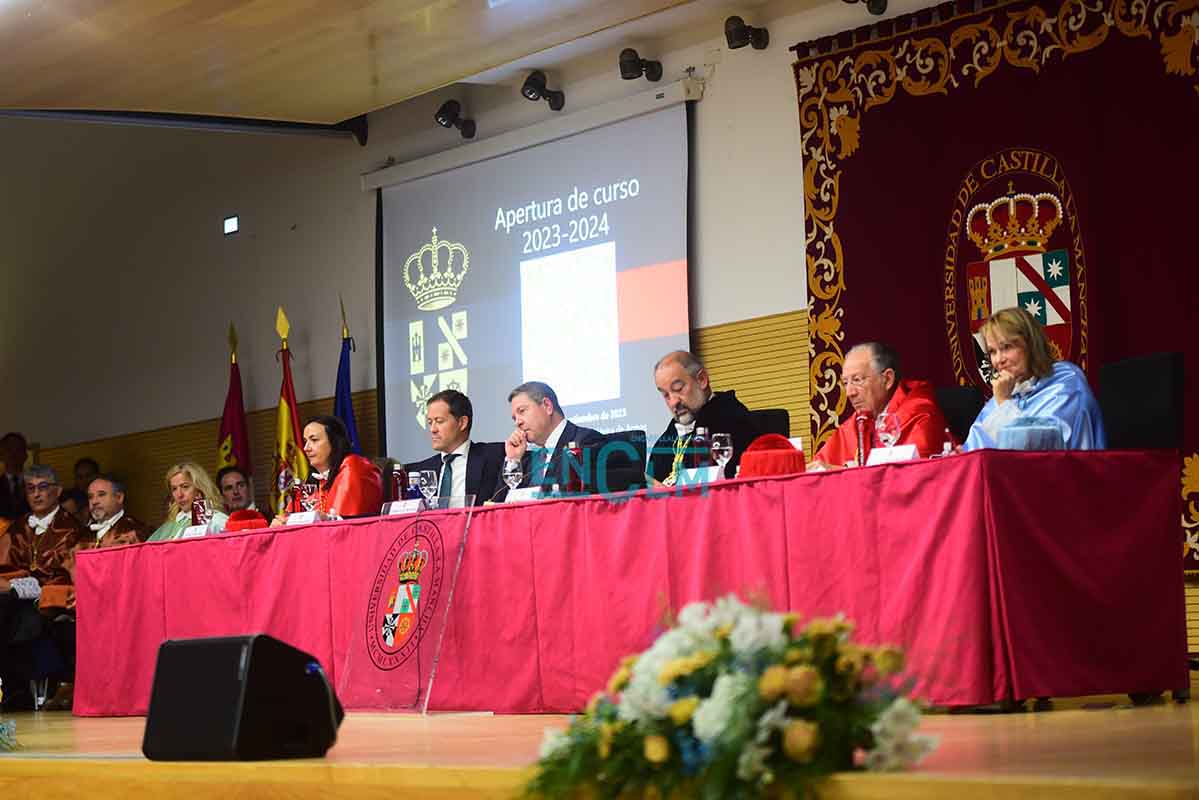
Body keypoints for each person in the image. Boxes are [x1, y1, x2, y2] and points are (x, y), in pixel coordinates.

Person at [0, 465, 87, 711]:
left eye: (43, 487)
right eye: (30, 489)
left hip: (50, 599)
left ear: (57, 491)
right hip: (14, 596)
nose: (36, 494)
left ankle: (20, 689)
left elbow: (72, 573)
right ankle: (13, 687)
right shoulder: (16, 530)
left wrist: (41, 589)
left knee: (23, 617)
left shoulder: (73, 529)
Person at [963, 307, 1106, 450]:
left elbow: (1036, 453)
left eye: (1006, 347)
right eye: (992, 351)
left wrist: (1005, 405)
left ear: (1031, 345)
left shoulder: (1067, 381)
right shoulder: (1005, 393)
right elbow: (975, 450)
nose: (999, 360)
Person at [812, 342, 953, 468]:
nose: (849, 392)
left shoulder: (919, 413)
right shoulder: (857, 423)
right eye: (845, 383)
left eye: (857, 380)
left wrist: (843, 471)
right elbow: (818, 466)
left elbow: (909, 476)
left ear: (887, 379)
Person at [648, 351, 760, 484]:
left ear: (702, 380)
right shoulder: (669, 436)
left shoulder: (732, 419)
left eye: (678, 389)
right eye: (666, 395)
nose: (673, 402)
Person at [274, 416, 382, 522]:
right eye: (305, 441)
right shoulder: (316, 482)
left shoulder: (353, 466)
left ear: (334, 442)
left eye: (314, 440)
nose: (306, 448)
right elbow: (290, 517)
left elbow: (339, 525)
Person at [405, 390, 504, 506]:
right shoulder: (418, 471)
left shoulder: (495, 456)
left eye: (439, 421)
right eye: (430, 422)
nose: (433, 429)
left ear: (462, 423)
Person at [504, 381, 603, 493]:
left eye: (522, 411)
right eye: (514, 418)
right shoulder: (527, 461)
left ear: (547, 406)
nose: (517, 422)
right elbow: (501, 503)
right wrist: (513, 460)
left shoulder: (586, 441)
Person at [147, 462, 229, 541]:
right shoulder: (168, 526)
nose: (179, 495)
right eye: (174, 489)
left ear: (199, 488)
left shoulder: (217, 520)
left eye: (185, 486)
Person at [86, 475, 151, 547]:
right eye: (90, 497)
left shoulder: (135, 532)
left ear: (119, 497)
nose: (94, 502)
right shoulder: (84, 535)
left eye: (101, 495)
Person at [0, 432, 29, 519]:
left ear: (25, 455)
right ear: (1, 455)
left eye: (18, 449)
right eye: (9, 449)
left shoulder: (38, 484)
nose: (13, 454)